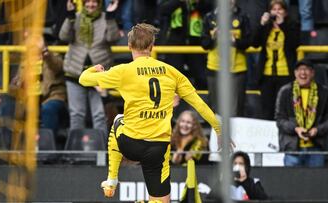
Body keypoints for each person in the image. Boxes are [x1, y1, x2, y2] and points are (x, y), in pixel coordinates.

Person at [79, 23, 221, 203]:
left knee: (118, 119)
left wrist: (94, 69)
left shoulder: (123, 71)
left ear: (129, 46)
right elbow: (199, 103)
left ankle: (112, 179)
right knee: (162, 201)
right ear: (152, 47)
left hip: (131, 143)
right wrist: (218, 129)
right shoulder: (171, 72)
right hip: (158, 148)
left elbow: (83, 79)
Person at [59, 0, 121, 136]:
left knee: (99, 115)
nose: (91, 5)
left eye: (94, 2)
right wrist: (69, 16)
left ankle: (100, 151)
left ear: (99, 4)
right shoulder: (75, 16)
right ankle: (76, 154)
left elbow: (113, 38)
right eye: (88, 2)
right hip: (74, 72)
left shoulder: (106, 17)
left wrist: (110, 17)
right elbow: (63, 36)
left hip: (98, 75)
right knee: (76, 114)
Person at [201, 0, 251, 116]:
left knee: (236, 109)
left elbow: (249, 42)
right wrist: (214, 38)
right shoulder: (209, 17)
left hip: (237, 69)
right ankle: (217, 134)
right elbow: (204, 44)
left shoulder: (243, 17)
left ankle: (235, 134)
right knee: (215, 107)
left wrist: (234, 41)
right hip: (214, 68)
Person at [275, 59, 328, 167]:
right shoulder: (285, 91)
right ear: (295, 73)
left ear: (312, 73)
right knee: (291, 182)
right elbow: (280, 120)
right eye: (299, 69)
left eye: (306, 69)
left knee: (317, 183)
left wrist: (317, 130)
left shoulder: (324, 92)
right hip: (293, 151)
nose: (303, 73)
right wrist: (295, 129)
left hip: (317, 150)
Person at [252, 0, 299, 120]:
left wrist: (282, 25)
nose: (276, 12)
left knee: (284, 109)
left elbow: (294, 43)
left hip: (285, 75)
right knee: (267, 110)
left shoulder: (292, 25)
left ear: (285, 12)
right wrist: (261, 24)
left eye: (280, 9)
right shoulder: (266, 27)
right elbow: (254, 43)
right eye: (274, 9)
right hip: (267, 74)